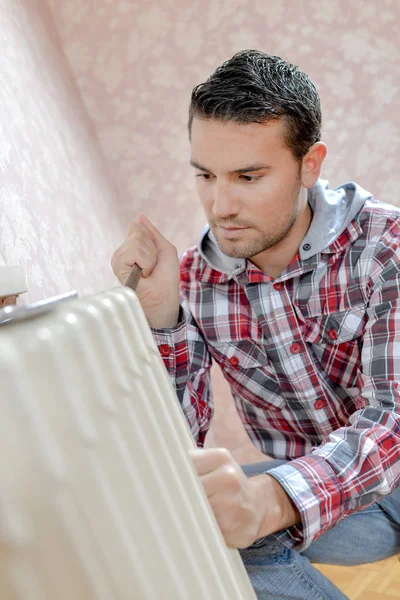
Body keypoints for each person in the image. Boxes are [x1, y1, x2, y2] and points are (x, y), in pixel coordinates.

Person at [111, 50, 400, 600]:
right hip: (339, 501)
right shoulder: (196, 280)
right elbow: (180, 441)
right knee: (189, 514)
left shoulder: (386, 247)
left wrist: (268, 501)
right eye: (205, 175)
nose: (220, 205)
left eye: (248, 176)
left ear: (309, 165)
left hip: (360, 474)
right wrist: (163, 314)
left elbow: (394, 419)